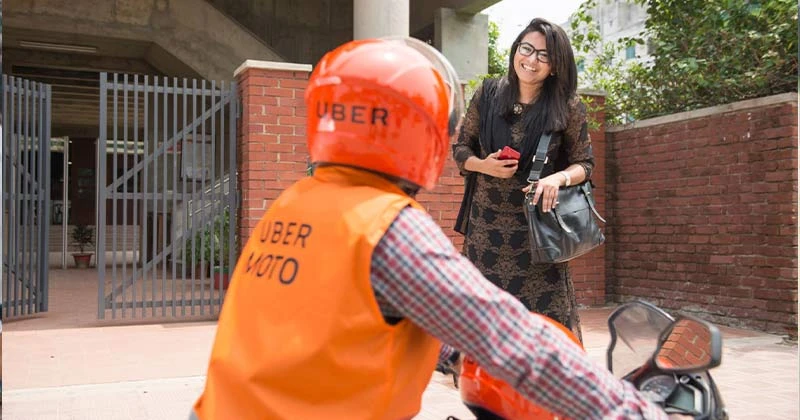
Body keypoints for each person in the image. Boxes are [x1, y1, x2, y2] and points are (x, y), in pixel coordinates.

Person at [190, 37, 681, 420]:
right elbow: (514, 341)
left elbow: (340, 315)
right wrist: (633, 410)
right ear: (422, 131)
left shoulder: (294, 205)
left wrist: (447, 348)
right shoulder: (389, 229)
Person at [452, 18, 590, 341]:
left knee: (546, 337)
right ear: (515, 50)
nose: (531, 60)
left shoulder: (567, 106)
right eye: (526, 49)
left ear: (555, 66)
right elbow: (460, 148)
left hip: (539, 239)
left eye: (544, 55)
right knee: (484, 332)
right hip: (485, 235)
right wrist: (482, 165)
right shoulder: (487, 95)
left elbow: (585, 163)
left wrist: (557, 178)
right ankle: (485, 391)